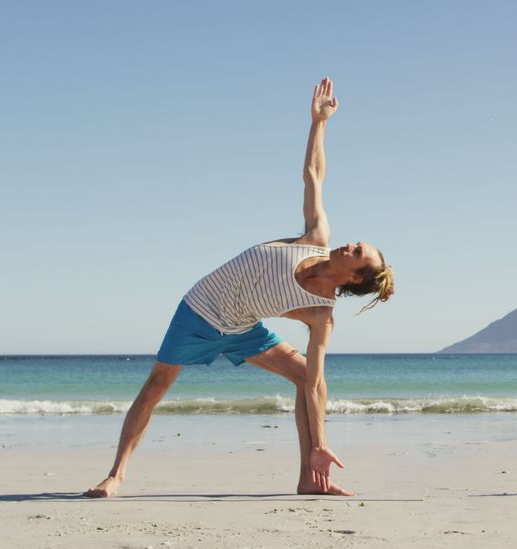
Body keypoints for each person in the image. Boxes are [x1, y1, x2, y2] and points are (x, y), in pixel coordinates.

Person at [84, 77, 393, 498]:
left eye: (359, 252)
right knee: (156, 386)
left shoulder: (321, 315)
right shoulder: (315, 238)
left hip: (241, 330)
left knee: (306, 376)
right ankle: (116, 475)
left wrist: (320, 444)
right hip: (200, 310)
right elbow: (313, 176)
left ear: (355, 277)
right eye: (358, 242)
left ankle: (308, 476)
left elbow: (316, 382)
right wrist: (318, 123)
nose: (352, 244)